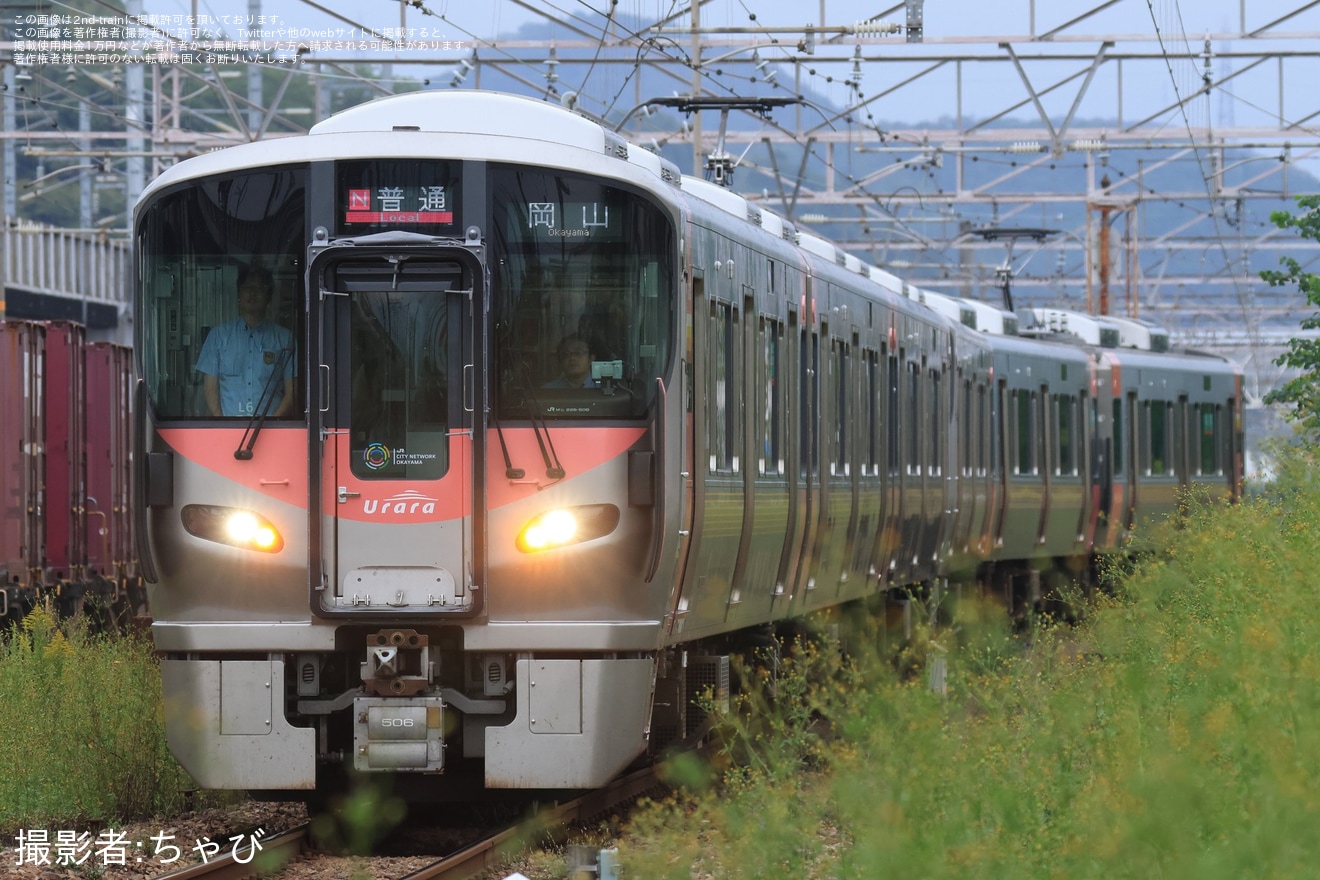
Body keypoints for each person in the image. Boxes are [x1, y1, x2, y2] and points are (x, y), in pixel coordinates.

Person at [196, 266, 296, 417]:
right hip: (227, 429)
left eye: (259, 288)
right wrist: (222, 424)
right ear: (238, 294)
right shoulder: (217, 336)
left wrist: (274, 425)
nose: (252, 293)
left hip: (273, 430)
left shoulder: (285, 339)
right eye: (247, 287)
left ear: (269, 297)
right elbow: (210, 388)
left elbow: (292, 391)